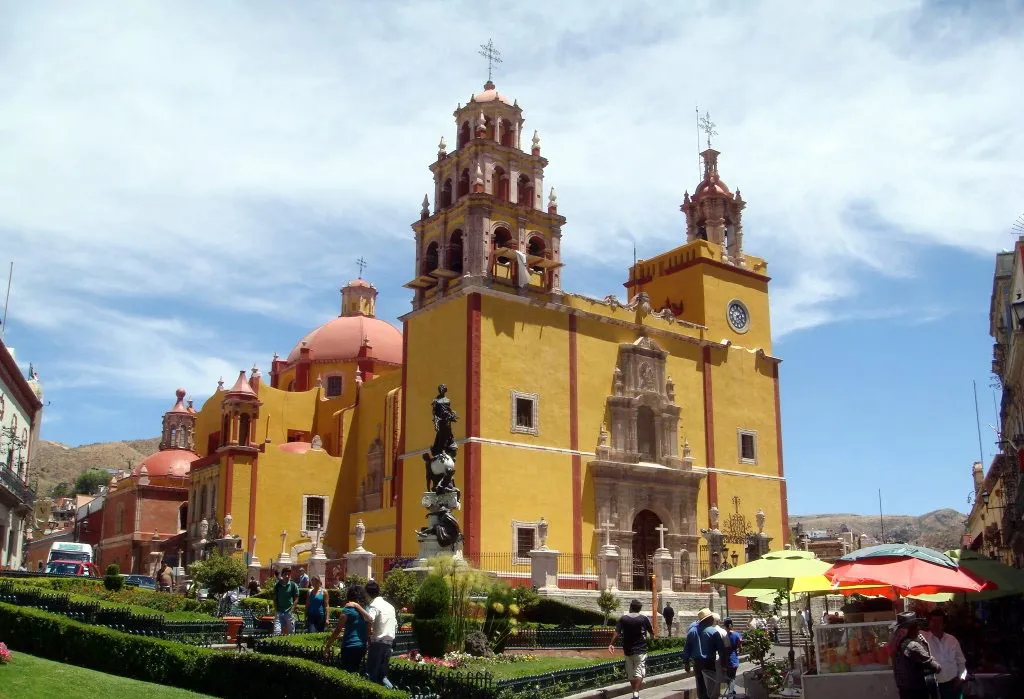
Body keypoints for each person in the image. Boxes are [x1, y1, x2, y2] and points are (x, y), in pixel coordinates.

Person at [348, 580, 397, 688]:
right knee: (382, 676)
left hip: (378, 644)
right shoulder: (390, 606)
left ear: (366, 592)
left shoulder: (374, 605)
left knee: (372, 675)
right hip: (389, 644)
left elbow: (369, 618)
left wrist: (357, 606)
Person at [608, 598, 655, 699]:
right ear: (639, 609)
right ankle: (636, 693)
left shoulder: (623, 619)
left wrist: (611, 644)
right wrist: (652, 638)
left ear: (630, 607)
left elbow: (617, 633)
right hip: (641, 650)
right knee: (639, 672)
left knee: (630, 672)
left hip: (628, 650)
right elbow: (651, 632)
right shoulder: (644, 619)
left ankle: (635, 692)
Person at [892, 612, 942, 699]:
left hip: (904, 692)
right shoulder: (913, 646)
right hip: (917, 693)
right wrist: (925, 645)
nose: (919, 628)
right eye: (916, 626)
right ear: (912, 628)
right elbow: (936, 668)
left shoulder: (897, 645)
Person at [921, 609, 966, 699]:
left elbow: (961, 661)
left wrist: (960, 678)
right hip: (933, 685)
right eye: (933, 621)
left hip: (953, 684)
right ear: (929, 623)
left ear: (944, 624)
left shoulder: (952, 640)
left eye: (939, 622)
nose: (936, 625)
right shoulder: (922, 637)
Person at [325, 584, 370, 673]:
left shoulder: (348, 609)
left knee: (347, 672)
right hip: (362, 646)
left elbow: (338, 629)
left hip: (349, 646)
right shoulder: (366, 610)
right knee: (355, 670)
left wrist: (328, 645)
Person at [682, 607, 723, 699]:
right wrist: (724, 662)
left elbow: (687, 649)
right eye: (711, 617)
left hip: (697, 663)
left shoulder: (691, 632)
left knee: (700, 685)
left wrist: (686, 663)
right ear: (708, 619)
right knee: (711, 684)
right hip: (709, 662)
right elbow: (721, 649)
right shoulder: (713, 632)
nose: (712, 619)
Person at [273, 567, 299, 636]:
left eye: (288, 574)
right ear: (282, 575)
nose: (287, 576)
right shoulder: (278, 585)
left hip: (289, 612)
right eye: (285, 574)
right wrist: (276, 609)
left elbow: (296, 598)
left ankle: (290, 646)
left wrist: (292, 609)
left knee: (291, 632)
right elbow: (275, 598)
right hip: (279, 611)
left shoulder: (293, 585)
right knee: (277, 631)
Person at [721, 618, 742, 698]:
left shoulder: (722, 635)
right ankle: (731, 694)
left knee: (729, 678)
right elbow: (740, 647)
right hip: (733, 659)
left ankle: (731, 693)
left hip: (724, 660)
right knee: (732, 678)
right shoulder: (737, 635)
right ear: (731, 625)